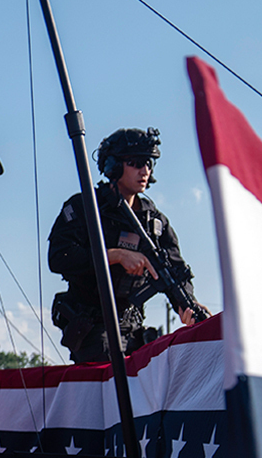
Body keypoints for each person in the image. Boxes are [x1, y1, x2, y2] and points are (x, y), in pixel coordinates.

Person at [47, 127, 208, 364]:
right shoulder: (85, 208)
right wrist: (115, 255)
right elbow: (59, 257)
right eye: (136, 163)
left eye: (149, 163)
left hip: (133, 326)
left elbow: (175, 269)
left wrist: (188, 303)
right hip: (94, 327)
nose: (145, 171)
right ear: (113, 166)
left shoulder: (153, 221)